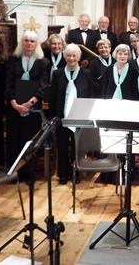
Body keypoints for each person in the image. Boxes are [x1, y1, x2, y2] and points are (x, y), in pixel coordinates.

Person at [48, 44, 96, 184]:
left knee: (78, 146)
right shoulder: (58, 74)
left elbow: (91, 95)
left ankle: (77, 172)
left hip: (80, 117)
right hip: (62, 116)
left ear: (79, 57)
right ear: (65, 57)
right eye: (68, 55)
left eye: (74, 55)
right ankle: (63, 173)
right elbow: (53, 97)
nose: (71, 58)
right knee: (62, 146)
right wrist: (53, 117)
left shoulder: (86, 74)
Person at [5, 30, 49, 173]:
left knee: (29, 140)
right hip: (14, 107)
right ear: (21, 43)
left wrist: (29, 103)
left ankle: (28, 172)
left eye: (32, 41)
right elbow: (8, 84)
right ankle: (13, 171)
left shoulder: (43, 62)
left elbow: (44, 85)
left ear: (36, 44)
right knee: (14, 140)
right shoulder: (13, 60)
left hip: (33, 107)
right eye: (26, 40)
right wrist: (15, 104)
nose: (29, 43)